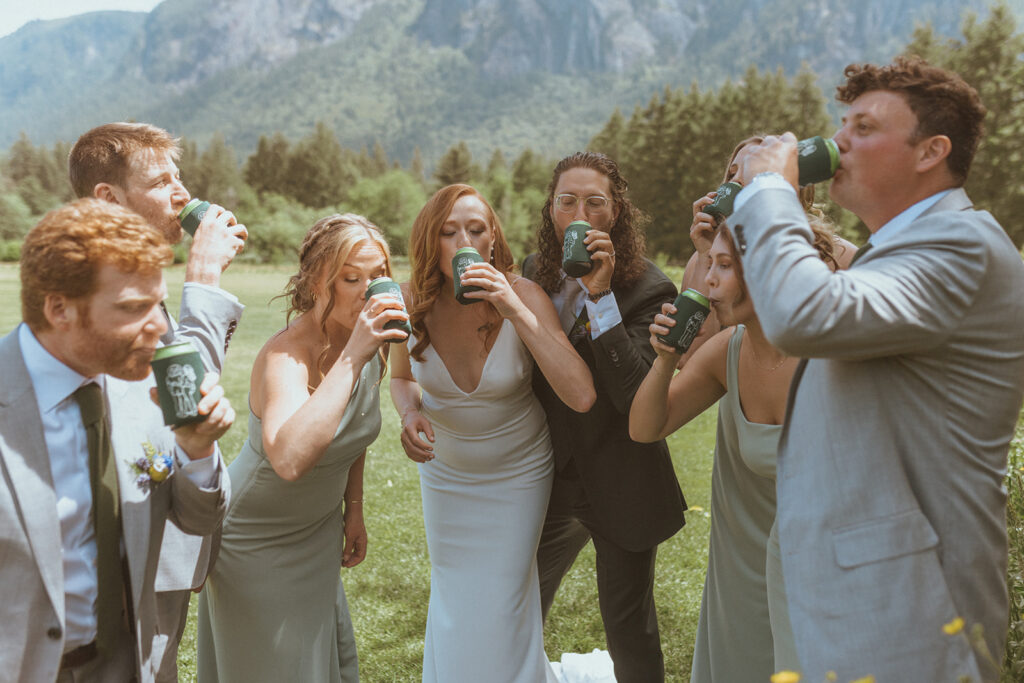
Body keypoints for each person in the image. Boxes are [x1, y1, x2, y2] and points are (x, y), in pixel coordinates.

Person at [726, 57, 1024, 682]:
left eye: (864, 127)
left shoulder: (962, 244)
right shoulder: (895, 251)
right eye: (842, 123)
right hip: (866, 605)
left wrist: (769, 192)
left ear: (930, 152)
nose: (838, 141)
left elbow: (805, 313)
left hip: (914, 612)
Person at [629, 136, 854, 682]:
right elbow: (699, 341)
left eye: (755, 172)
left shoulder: (844, 280)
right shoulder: (720, 300)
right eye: (732, 171)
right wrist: (708, 250)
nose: (710, 279)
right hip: (746, 497)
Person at [0, 198, 230, 682]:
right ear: (59, 308)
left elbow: (198, 518)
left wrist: (197, 449)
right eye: (133, 308)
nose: (160, 326)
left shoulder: (146, 386)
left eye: (158, 303)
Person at [390, 184, 595, 682]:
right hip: (448, 475)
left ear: (492, 240)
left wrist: (513, 309)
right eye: (449, 231)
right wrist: (408, 414)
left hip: (517, 473)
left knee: (504, 603)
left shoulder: (523, 295)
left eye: (476, 230)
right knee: (454, 602)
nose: (464, 240)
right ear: (430, 241)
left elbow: (581, 393)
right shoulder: (411, 300)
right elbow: (401, 377)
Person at [69, 121, 246, 681]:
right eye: (163, 180)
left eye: (181, 177)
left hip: (161, 548)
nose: (183, 193)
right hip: (120, 564)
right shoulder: (98, 294)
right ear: (108, 199)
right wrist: (204, 278)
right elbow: (181, 396)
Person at [196, 214, 407, 682]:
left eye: (378, 276)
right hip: (253, 538)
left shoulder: (370, 341)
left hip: (317, 530)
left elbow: (353, 431)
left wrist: (354, 508)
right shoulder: (284, 357)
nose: (369, 290)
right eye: (352, 278)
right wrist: (355, 354)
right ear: (316, 281)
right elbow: (289, 460)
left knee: (319, 661)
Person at [522, 151, 687, 682]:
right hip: (548, 477)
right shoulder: (530, 274)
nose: (580, 213)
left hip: (621, 477)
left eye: (595, 202)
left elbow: (634, 393)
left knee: (627, 629)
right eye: (567, 200)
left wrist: (600, 295)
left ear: (615, 214)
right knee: (521, 605)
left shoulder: (651, 288)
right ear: (552, 209)